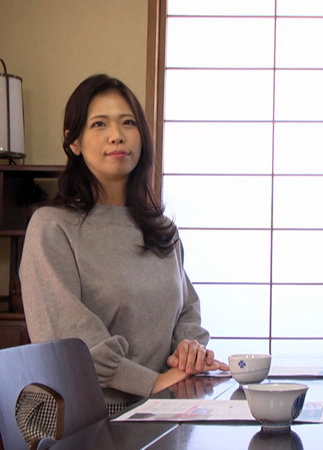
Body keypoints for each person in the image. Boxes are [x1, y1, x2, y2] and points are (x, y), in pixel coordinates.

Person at [19, 74, 229, 424]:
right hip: (78, 414)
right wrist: (154, 383)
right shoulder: (51, 227)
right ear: (74, 142)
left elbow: (187, 309)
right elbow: (72, 341)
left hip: (159, 404)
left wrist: (188, 350)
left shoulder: (162, 230)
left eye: (128, 123)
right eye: (99, 124)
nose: (116, 135)